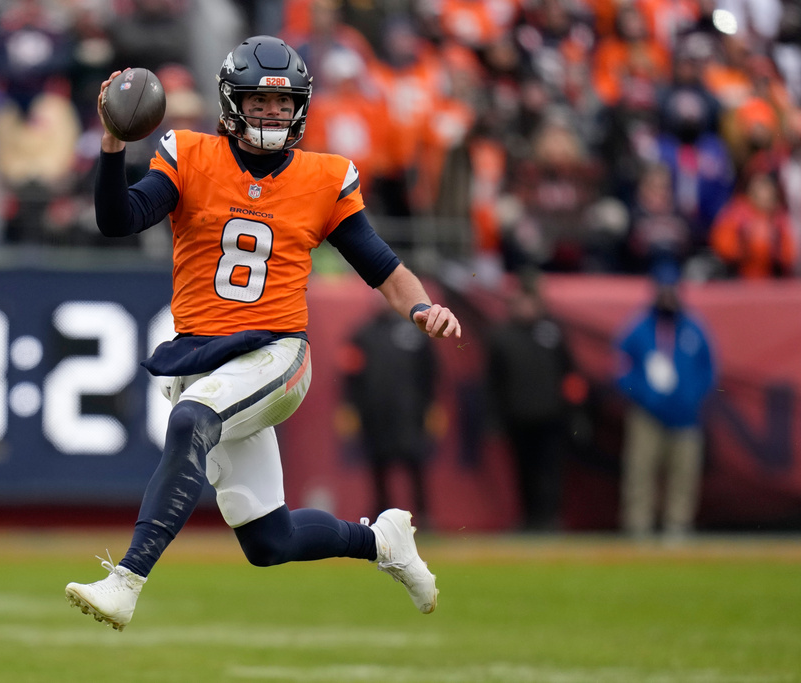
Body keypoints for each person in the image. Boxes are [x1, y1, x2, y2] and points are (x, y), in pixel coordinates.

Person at [64, 35, 462, 631]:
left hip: (276, 352)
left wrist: (423, 307)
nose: (273, 113)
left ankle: (126, 580)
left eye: (283, 103)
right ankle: (382, 541)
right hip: (204, 356)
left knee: (190, 420)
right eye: (259, 102)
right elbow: (118, 219)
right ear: (233, 103)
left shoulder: (324, 177)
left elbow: (382, 266)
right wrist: (113, 143)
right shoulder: (190, 155)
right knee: (268, 540)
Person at [615, 258, 717, 540]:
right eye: (663, 291)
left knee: (684, 474)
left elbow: (708, 370)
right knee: (640, 470)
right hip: (647, 413)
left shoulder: (694, 328)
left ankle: (677, 525)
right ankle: (638, 526)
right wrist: (642, 395)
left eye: (672, 291)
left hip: (685, 414)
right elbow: (621, 369)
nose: (668, 297)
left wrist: (692, 397)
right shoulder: (638, 327)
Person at [485, 269, 584, 532]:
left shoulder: (552, 330)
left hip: (552, 416)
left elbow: (570, 374)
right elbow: (493, 382)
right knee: (523, 471)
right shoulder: (501, 335)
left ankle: (550, 518)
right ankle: (529, 519)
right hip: (517, 417)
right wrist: (494, 418)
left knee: (551, 470)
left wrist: (576, 411)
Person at [339, 304, 442, 530]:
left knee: (415, 463)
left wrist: (431, 406)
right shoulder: (362, 334)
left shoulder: (414, 333)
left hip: (411, 413)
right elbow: (350, 375)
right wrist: (350, 408)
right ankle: (382, 518)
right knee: (378, 465)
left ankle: (423, 516)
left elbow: (431, 371)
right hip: (375, 414)